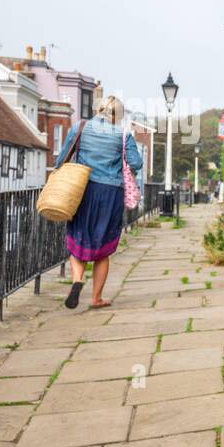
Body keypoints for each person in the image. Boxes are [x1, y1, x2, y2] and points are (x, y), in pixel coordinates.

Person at [55, 95, 143, 309]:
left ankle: (77, 280)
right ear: (117, 115)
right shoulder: (123, 134)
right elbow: (136, 163)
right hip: (111, 194)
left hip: (82, 188)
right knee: (103, 246)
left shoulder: (80, 127)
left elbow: (61, 159)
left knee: (78, 237)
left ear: (98, 110)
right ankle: (96, 298)